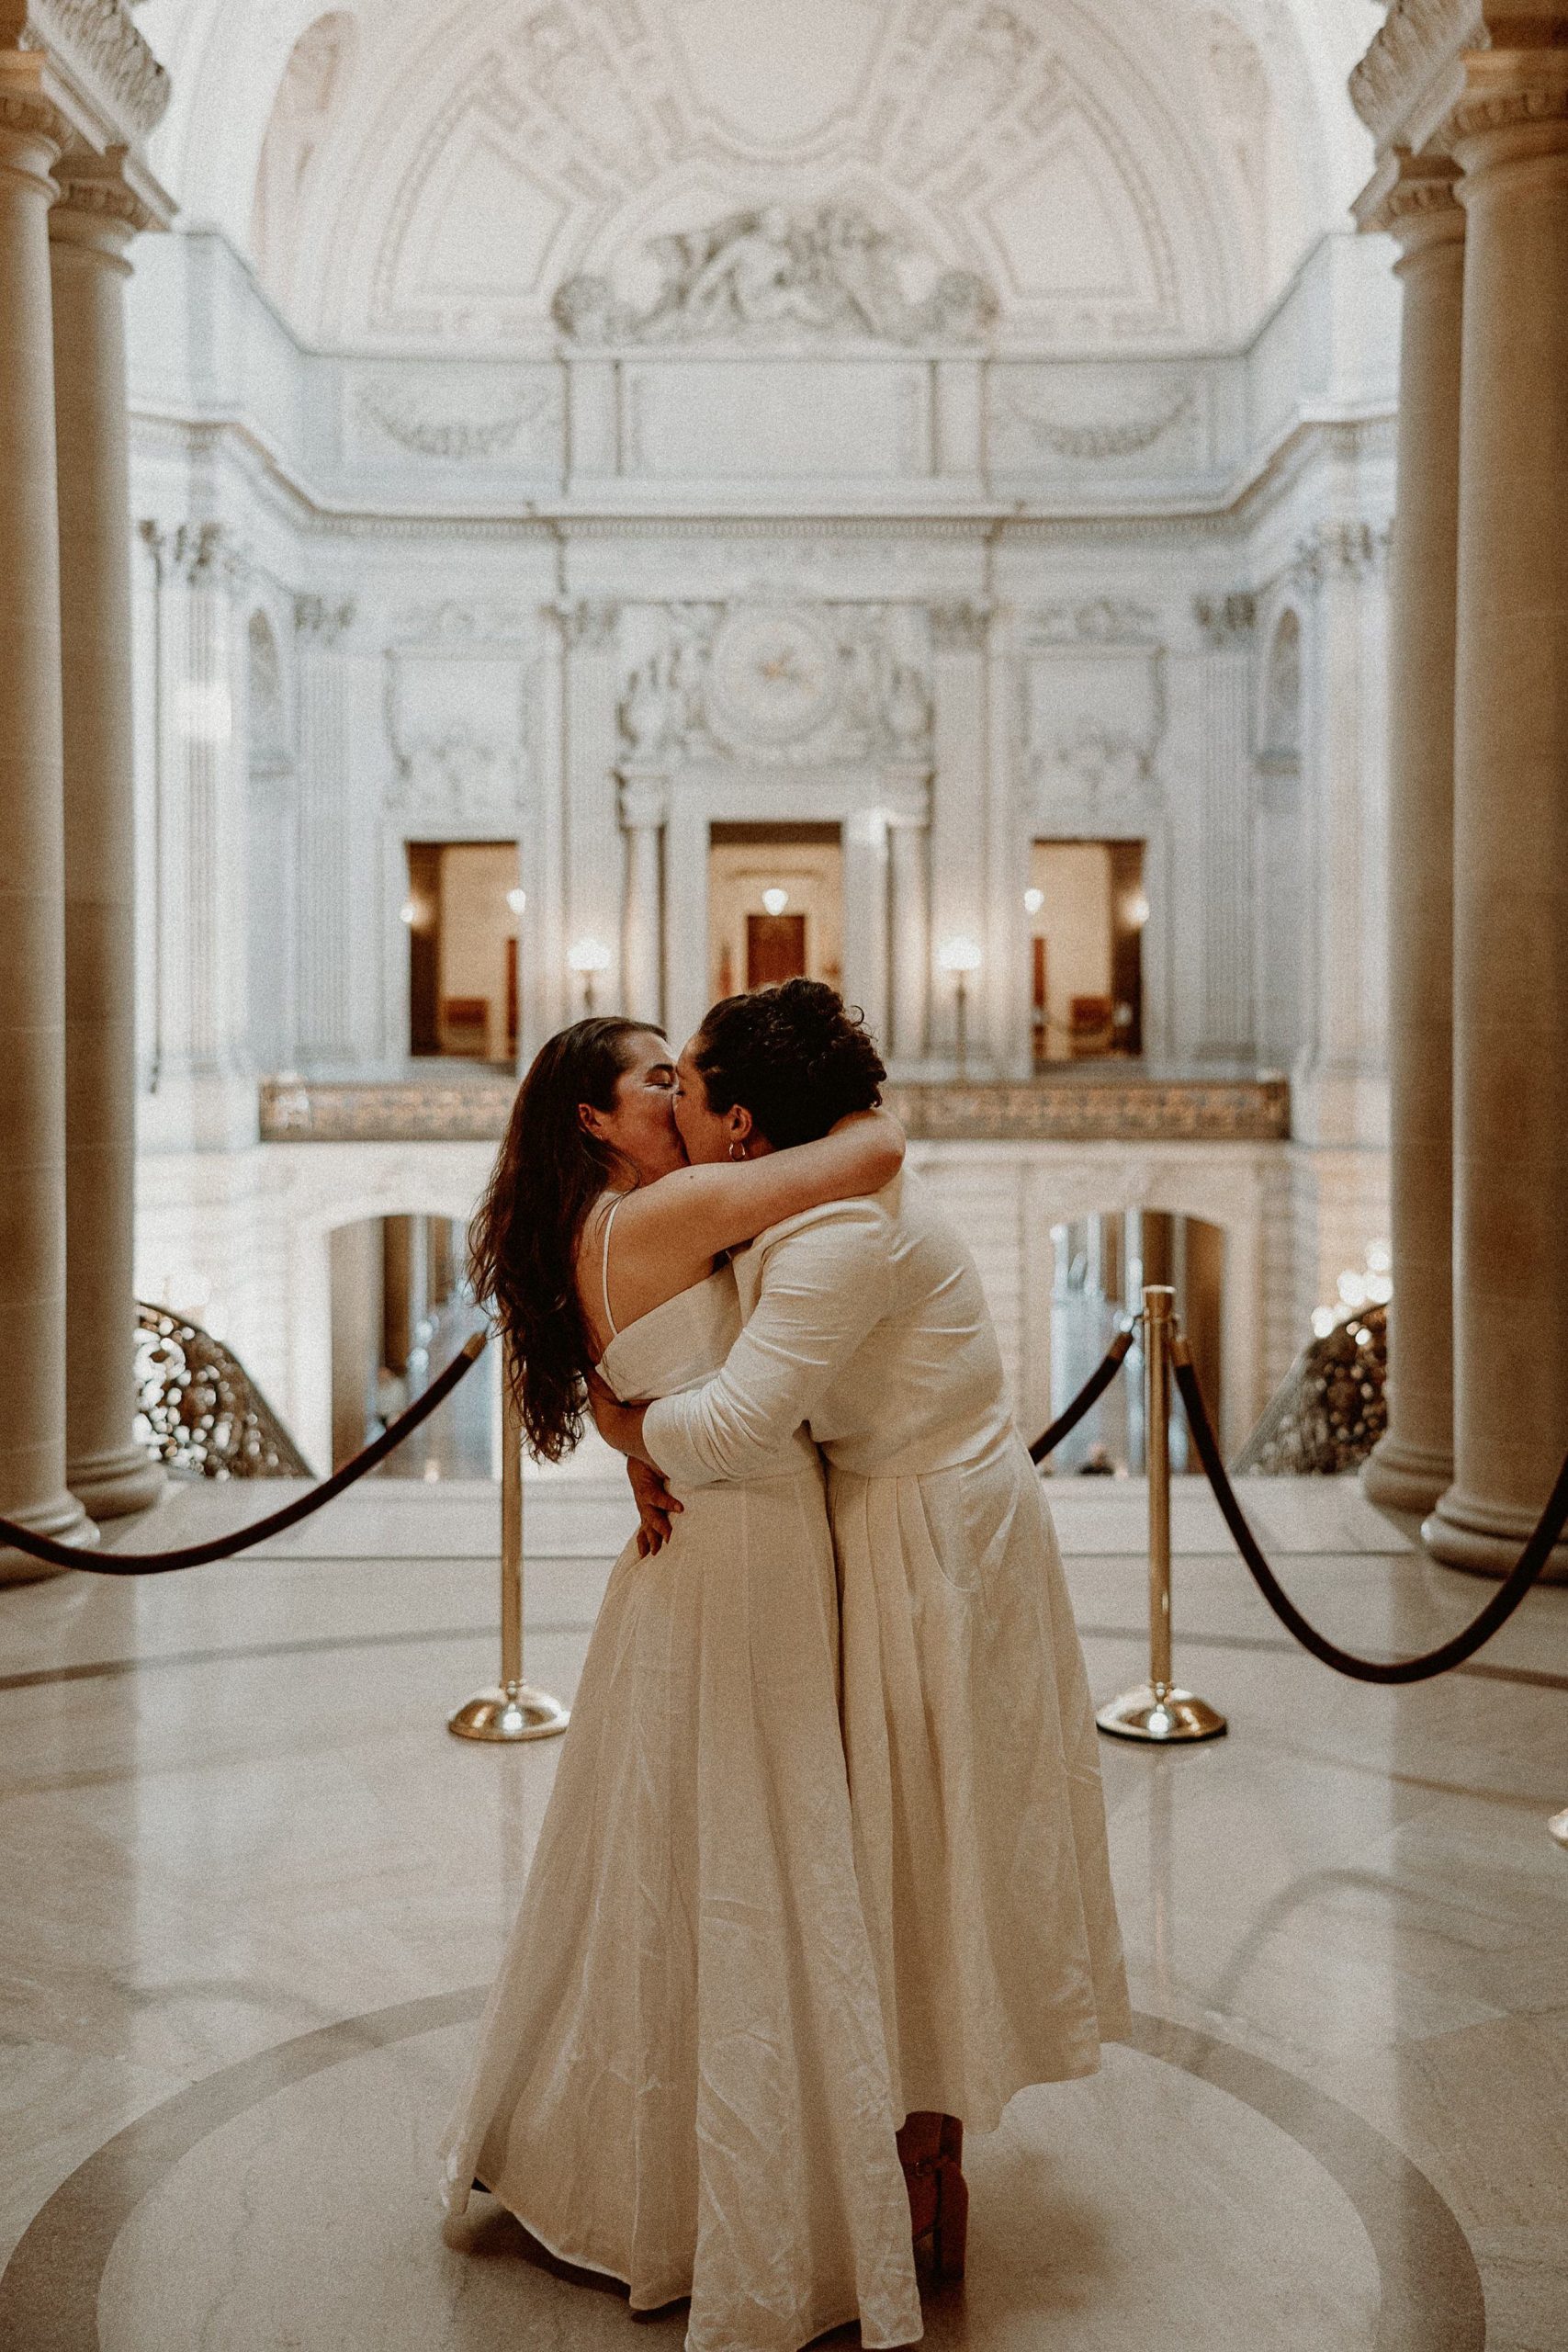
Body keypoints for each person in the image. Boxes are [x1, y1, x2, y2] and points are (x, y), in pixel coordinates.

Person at [592, 982, 1131, 2252]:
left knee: (931, 1845)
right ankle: (907, 2148)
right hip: (907, 1515)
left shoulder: (837, 1234)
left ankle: (925, 2163)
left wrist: (622, 1427)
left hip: (932, 1538)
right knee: (908, 1842)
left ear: (740, 1126)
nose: (678, 1100)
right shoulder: (812, 1192)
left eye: (694, 1082)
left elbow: (732, 1428)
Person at [440, 1015, 923, 2352]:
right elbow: (872, 1151)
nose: (681, 1093)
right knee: (757, 1853)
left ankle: (636, 2169)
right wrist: (845, 1100)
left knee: (673, 1857)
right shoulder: (686, 1210)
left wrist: (627, 1423)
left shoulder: (605, 1221)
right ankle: (748, 2204)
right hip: (745, 1550)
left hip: (691, 1555)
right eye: (658, 1078)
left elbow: (616, 1379)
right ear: (594, 1118)